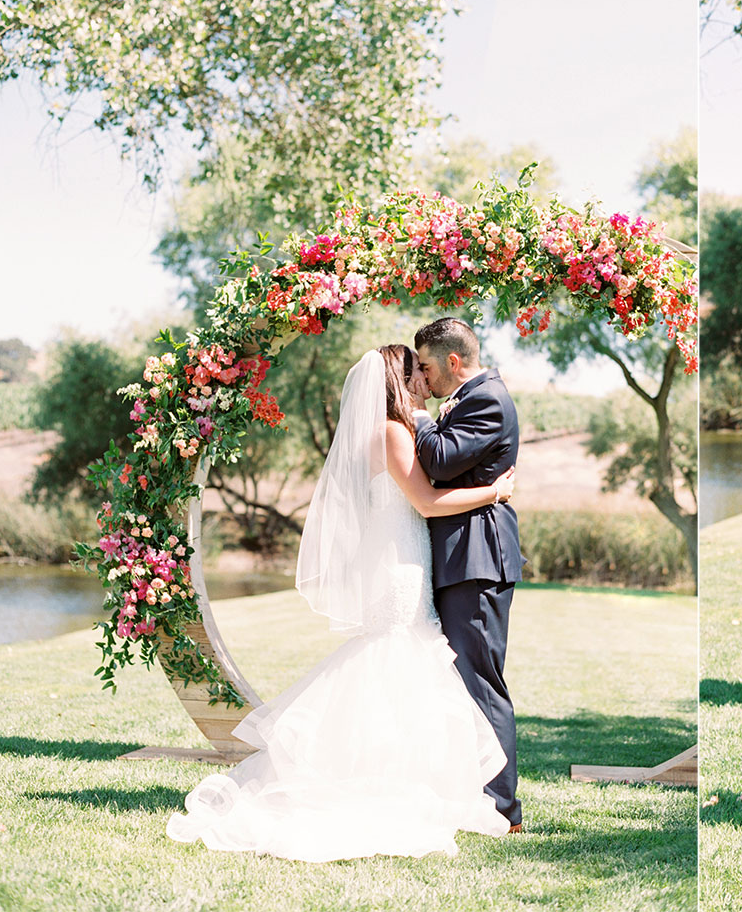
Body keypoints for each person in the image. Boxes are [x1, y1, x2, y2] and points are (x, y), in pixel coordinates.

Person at [167, 345, 518, 860]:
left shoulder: (384, 431)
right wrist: (495, 493)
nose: (423, 376)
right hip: (401, 566)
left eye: (426, 367)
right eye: (415, 370)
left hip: (400, 555)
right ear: (399, 382)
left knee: (400, 666)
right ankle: (385, 783)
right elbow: (424, 501)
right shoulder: (394, 432)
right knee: (393, 659)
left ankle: (400, 778)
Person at [411, 318, 527, 833]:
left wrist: (415, 416)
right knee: (464, 680)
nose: (424, 376)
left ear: (453, 362)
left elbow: (439, 459)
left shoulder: (488, 401)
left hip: (478, 560)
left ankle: (501, 808)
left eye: (428, 366)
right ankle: (471, 795)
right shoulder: (468, 400)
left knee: (482, 683)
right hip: (462, 557)